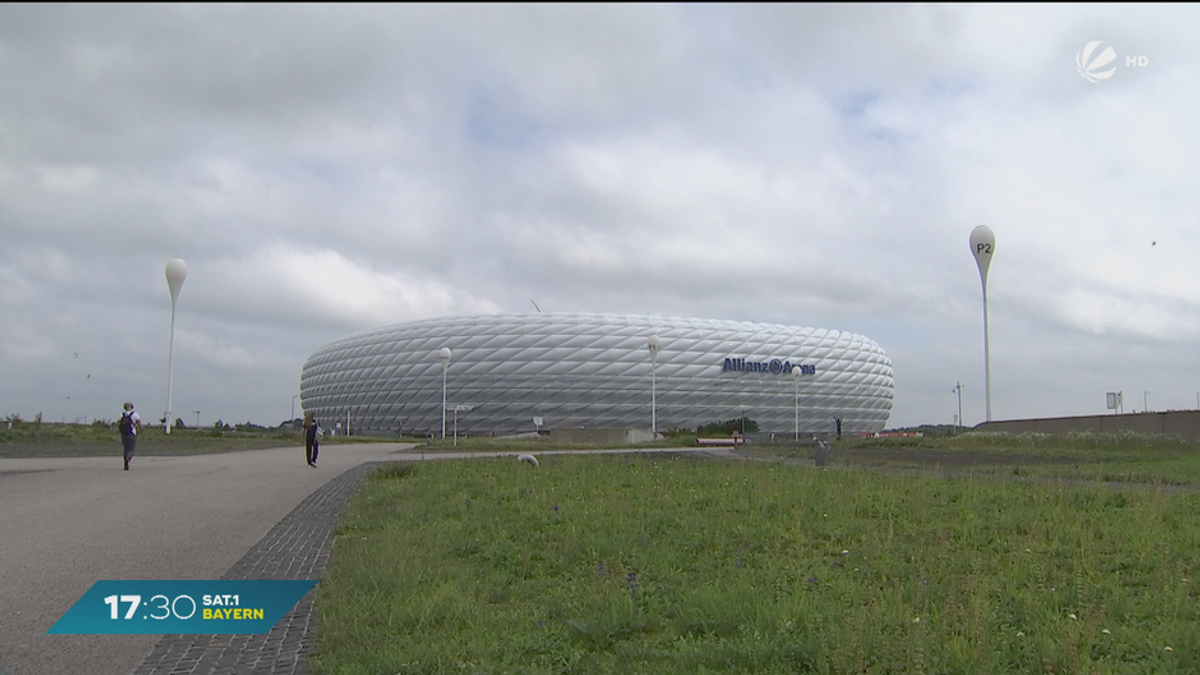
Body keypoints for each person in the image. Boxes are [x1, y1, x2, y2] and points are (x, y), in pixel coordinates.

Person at [118, 402, 142, 470]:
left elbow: (119, 423)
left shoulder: (122, 415)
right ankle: (128, 459)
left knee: (125, 449)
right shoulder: (135, 415)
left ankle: (125, 461)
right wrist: (140, 432)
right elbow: (139, 424)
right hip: (131, 433)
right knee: (131, 449)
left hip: (123, 434)